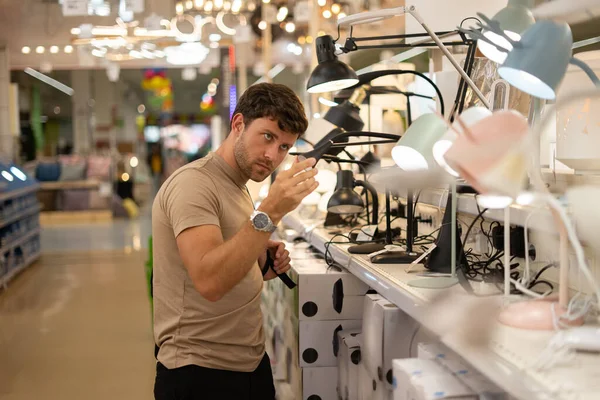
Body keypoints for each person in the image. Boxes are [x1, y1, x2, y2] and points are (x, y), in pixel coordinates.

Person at [152, 83, 317, 400]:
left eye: (284, 147)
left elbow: (226, 253)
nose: (273, 156)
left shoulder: (237, 184)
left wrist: (256, 257)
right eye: (267, 136)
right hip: (199, 373)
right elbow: (210, 280)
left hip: (249, 362)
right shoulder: (194, 184)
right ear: (238, 124)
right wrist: (270, 212)